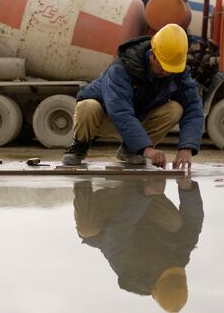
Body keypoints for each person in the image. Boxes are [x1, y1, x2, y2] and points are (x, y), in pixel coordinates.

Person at [61, 23, 204, 169]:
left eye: (170, 69)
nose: (166, 72)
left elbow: (193, 107)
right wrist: (147, 149)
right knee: (88, 106)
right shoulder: (123, 67)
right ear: (152, 54)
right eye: (162, 66)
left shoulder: (177, 72)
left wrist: (186, 148)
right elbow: (120, 111)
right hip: (105, 117)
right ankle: (80, 147)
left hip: (137, 118)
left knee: (175, 109)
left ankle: (130, 150)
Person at [73, 178, 204, 312]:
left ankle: (81, 180)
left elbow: (118, 229)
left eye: (164, 274)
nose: (166, 267)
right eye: (173, 273)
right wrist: (187, 189)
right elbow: (194, 222)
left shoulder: (129, 271)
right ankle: (142, 180)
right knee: (173, 222)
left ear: (154, 288)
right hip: (138, 203)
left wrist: (144, 195)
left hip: (109, 217)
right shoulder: (179, 257)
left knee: (88, 229)